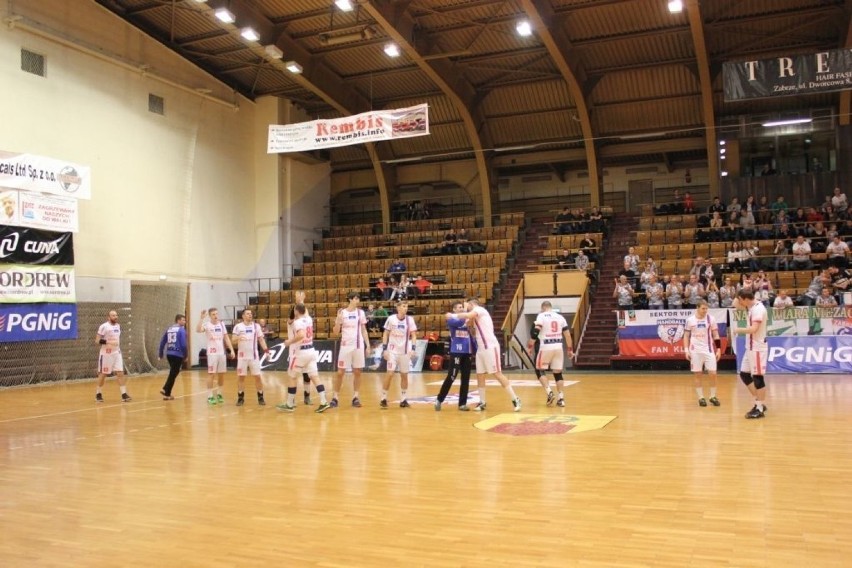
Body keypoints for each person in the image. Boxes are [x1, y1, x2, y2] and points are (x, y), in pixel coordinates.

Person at [454, 297, 521, 412]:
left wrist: (460, 313)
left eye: (467, 304)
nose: (466, 306)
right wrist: (469, 324)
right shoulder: (474, 316)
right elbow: (471, 328)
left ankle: (515, 399)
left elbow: (468, 315)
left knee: (497, 374)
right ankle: (482, 402)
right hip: (481, 349)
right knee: (480, 375)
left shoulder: (480, 309)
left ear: (471, 304)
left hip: (490, 346)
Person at [276, 304, 330, 413]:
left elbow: (301, 335)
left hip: (301, 352)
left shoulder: (297, 322)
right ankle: (324, 401)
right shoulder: (309, 319)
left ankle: (290, 404)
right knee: (315, 377)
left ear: (296, 311)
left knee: (292, 376)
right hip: (311, 350)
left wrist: (289, 342)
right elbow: (305, 312)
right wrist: (301, 301)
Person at [526, 301, 573, 407]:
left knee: (539, 369)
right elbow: (568, 335)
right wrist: (570, 349)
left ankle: (549, 392)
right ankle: (561, 398)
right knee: (558, 373)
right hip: (558, 347)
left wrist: (530, 346)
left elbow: (535, 332)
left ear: (543, 308)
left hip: (546, 346)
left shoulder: (541, 316)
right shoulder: (560, 317)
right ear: (551, 308)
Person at [732, 289, 769, 419]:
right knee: (744, 374)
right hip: (750, 347)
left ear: (746, 299)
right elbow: (735, 303)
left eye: (741, 300)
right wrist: (743, 287)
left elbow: (754, 329)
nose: (740, 303)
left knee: (758, 377)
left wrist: (738, 330)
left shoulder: (758, 309)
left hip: (757, 348)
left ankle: (759, 408)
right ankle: (759, 401)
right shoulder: (751, 306)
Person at [331, 291, 369, 409]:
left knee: (357, 372)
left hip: (358, 346)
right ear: (350, 299)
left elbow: (363, 330)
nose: (358, 301)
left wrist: (368, 345)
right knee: (340, 373)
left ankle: (355, 397)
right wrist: (337, 320)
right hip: (345, 346)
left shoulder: (360, 313)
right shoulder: (342, 313)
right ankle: (335, 397)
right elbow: (336, 332)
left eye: (359, 299)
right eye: (356, 298)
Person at [434, 302, 474, 411]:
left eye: (462, 307)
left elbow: (471, 333)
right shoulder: (452, 320)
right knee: (452, 376)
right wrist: (466, 313)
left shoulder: (467, 319)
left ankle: (462, 404)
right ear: (454, 310)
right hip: (456, 351)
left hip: (467, 352)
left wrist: (475, 349)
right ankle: (439, 399)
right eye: (459, 307)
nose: (461, 309)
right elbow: (460, 321)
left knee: (465, 378)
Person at [683, 300, 722, 407]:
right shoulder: (690, 320)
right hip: (695, 351)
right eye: (703, 308)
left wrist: (718, 349)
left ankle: (712, 396)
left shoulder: (711, 319)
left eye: (706, 309)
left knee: (713, 373)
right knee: (698, 374)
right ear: (697, 308)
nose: (705, 311)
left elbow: (716, 334)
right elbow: (686, 336)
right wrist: (686, 350)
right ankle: (701, 398)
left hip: (709, 350)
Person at [380, 301, 418, 408]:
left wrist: (413, 348)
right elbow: (385, 334)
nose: (406, 308)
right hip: (392, 351)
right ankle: (383, 398)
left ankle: (403, 399)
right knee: (390, 373)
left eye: (407, 306)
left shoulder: (409, 320)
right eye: (403, 306)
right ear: (398, 308)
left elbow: (413, 335)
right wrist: (384, 349)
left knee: (404, 375)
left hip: (405, 352)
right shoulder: (391, 319)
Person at [197, 307, 235, 405]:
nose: (216, 316)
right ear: (210, 316)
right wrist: (201, 318)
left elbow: (226, 338)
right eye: (213, 314)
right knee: (211, 374)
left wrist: (231, 350)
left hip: (221, 353)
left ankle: (219, 393)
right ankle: (210, 396)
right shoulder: (207, 325)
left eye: (217, 314)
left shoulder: (222, 324)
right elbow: (198, 330)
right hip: (212, 353)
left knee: (221, 374)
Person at [231, 308, 269, 406]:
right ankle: (240, 397)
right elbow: (233, 339)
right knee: (241, 377)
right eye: (247, 314)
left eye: (251, 314)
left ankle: (260, 396)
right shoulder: (238, 327)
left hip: (254, 356)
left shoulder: (256, 326)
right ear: (243, 316)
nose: (250, 315)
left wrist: (266, 351)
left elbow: (261, 340)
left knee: (257, 377)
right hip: (242, 357)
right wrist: (239, 337)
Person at [95, 310, 131, 403]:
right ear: (109, 317)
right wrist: (109, 342)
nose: (115, 317)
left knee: (120, 373)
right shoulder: (104, 326)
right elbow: (97, 340)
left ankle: (124, 394)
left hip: (116, 353)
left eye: (116, 315)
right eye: (113, 315)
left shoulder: (118, 326)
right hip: (106, 354)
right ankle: (98, 393)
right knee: (103, 374)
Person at [287, 291, 313, 405]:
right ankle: (291, 400)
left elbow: (304, 313)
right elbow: (295, 314)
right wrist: (299, 302)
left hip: (304, 347)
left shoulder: (303, 318)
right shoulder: (292, 318)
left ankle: (307, 396)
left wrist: (302, 302)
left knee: (307, 374)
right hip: (294, 348)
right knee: (294, 375)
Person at [157, 314, 187, 400]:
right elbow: (184, 345)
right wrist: (185, 355)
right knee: (174, 373)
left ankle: (167, 394)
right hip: (177, 354)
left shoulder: (169, 329)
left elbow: (163, 341)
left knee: (173, 372)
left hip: (169, 354)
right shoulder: (181, 330)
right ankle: (165, 388)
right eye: (183, 320)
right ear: (178, 320)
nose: (184, 322)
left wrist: (161, 353)